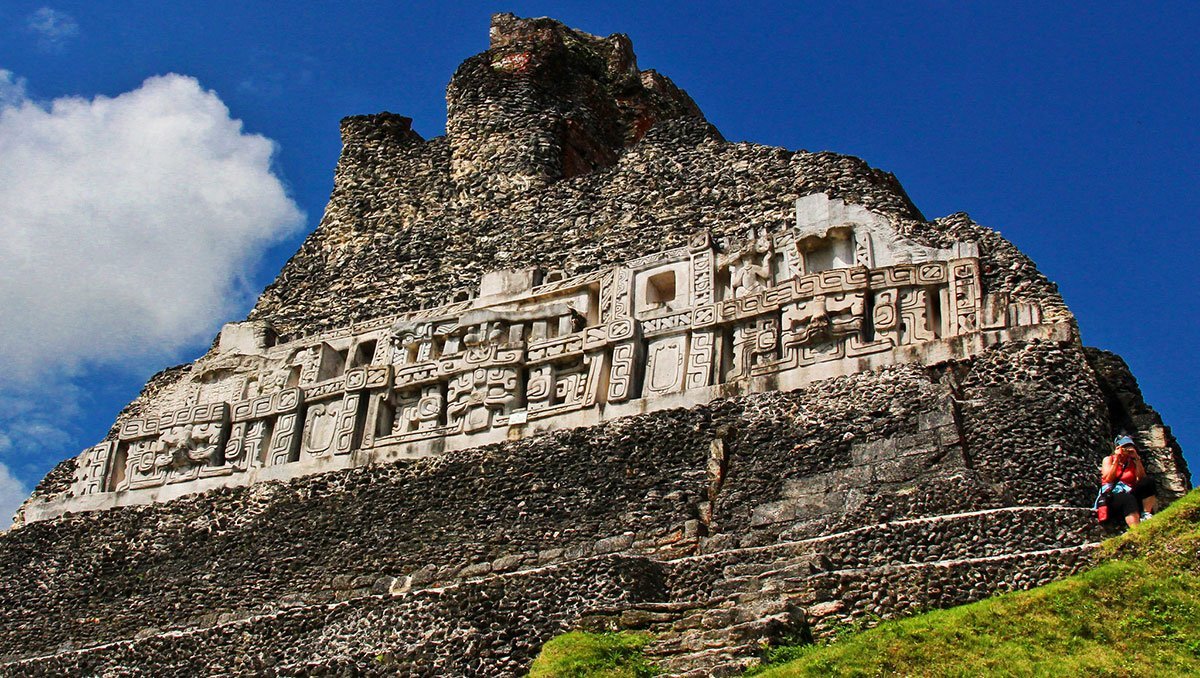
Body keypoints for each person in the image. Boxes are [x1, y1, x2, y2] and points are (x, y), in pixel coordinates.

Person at [1100, 435, 1158, 527]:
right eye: (1125, 447)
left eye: (1130, 447)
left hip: (1129, 491)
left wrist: (1137, 459)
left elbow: (1141, 479)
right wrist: (1117, 460)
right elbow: (1108, 479)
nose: (1127, 450)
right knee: (1128, 498)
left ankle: (1146, 514)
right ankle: (1135, 529)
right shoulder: (1109, 459)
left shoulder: (1131, 462)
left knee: (1148, 481)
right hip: (1112, 495)